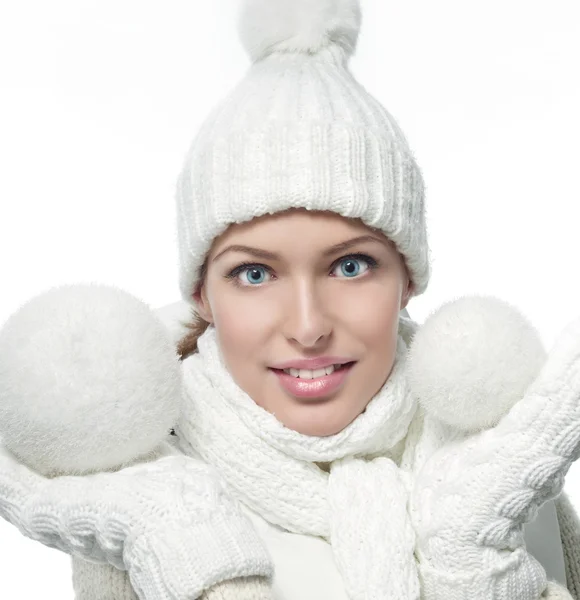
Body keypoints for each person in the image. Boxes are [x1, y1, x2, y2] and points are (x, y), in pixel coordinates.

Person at [1, 0, 580, 599]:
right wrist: (191, 553)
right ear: (201, 293)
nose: (308, 327)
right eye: (254, 274)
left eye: (350, 266)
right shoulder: (141, 492)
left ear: (408, 277)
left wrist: (474, 564)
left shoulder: (502, 463)